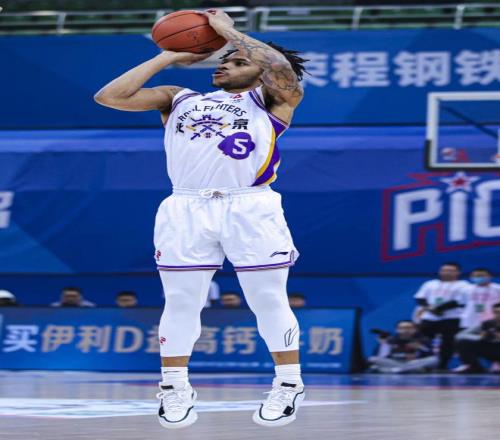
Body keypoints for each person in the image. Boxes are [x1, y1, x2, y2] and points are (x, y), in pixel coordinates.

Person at [94, 8, 306, 429]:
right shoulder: (179, 97)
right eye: (224, 59)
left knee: (267, 299)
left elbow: (279, 67)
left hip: (250, 205)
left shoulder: (273, 100)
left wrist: (227, 31)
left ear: (260, 72)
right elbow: (109, 97)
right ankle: (174, 387)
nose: (225, 64)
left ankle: (288, 382)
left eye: (238, 61)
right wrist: (167, 56)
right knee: (181, 301)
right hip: (185, 206)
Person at [414, 262, 469, 370]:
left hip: (451, 317)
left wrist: (439, 309)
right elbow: (420, 298)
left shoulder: (464, 285)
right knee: (424, 341)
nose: (447, 273)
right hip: (430, 318)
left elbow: (459, 301)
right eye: (444, 270)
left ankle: (442, 366)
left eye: (451, 271)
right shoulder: (430, 284)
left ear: (458, 272)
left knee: (448, 343)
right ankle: (422, 365)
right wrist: (430, 308)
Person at [368, 320, 438, 373]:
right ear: (397, 330)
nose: (405, 330)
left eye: (409, 328)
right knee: (372, 359)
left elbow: (431, 354)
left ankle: (395, 370)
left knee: (435, 359)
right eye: (402, 328)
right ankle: (406, 369)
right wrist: (384, 345)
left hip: (414, 363)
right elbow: (381, 357)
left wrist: (420, 347)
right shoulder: (390, 340)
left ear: (415, 329)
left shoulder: (422, 339)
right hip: (395, 363)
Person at [455, 303, 500, 373]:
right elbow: (460, 335)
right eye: (496, 312)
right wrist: (480, 337)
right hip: (492, 349)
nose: (498, 315)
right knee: (463, 342)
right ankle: (474, 367)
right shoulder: (487, 324)